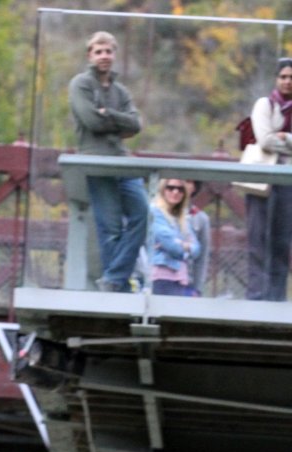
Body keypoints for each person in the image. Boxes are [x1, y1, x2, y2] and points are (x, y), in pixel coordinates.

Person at [68, 30, 148, 293]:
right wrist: (118, 123)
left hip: (123, 161)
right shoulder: (80, 84)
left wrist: (108, 115)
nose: (104, 56)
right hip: (96, 161)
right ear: (89, 55)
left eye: (109, 51)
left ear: (114, 55)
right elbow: (91, 120)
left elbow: (136, 124)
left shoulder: (120, 91)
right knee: (110, 226)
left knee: (143, 214)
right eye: (98, 51)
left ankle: (114, 278)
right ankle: (118, 285)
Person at [244, 57, 292, 301]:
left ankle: (276, 298)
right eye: (283, 76)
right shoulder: (265, 104)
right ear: (276, 79)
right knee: (258, 237)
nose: (287, 81)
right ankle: (256, 296)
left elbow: (276, 140)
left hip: (287, 183)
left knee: (282, 240)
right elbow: (265, 139)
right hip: (261, 180)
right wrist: (280, 138)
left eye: (291, 77)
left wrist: (285, 138)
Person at [149, 178, 200, 297]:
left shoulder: (182, 217)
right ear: (163, 190)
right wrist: (186, 246)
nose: (175, 192)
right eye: (170, 188)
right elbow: (172, 247)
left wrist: (181, 245)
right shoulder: (155, 212)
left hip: (180, 278)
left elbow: (197, 249)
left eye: (180, 189)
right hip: (160, 276)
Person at [185, 180, 211, 296]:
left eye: (188, 181)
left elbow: (202, 258)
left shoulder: (200, 218)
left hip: (186, 285)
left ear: (194, 187)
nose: (181, 185)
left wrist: (197, 289)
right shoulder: (156, 213)